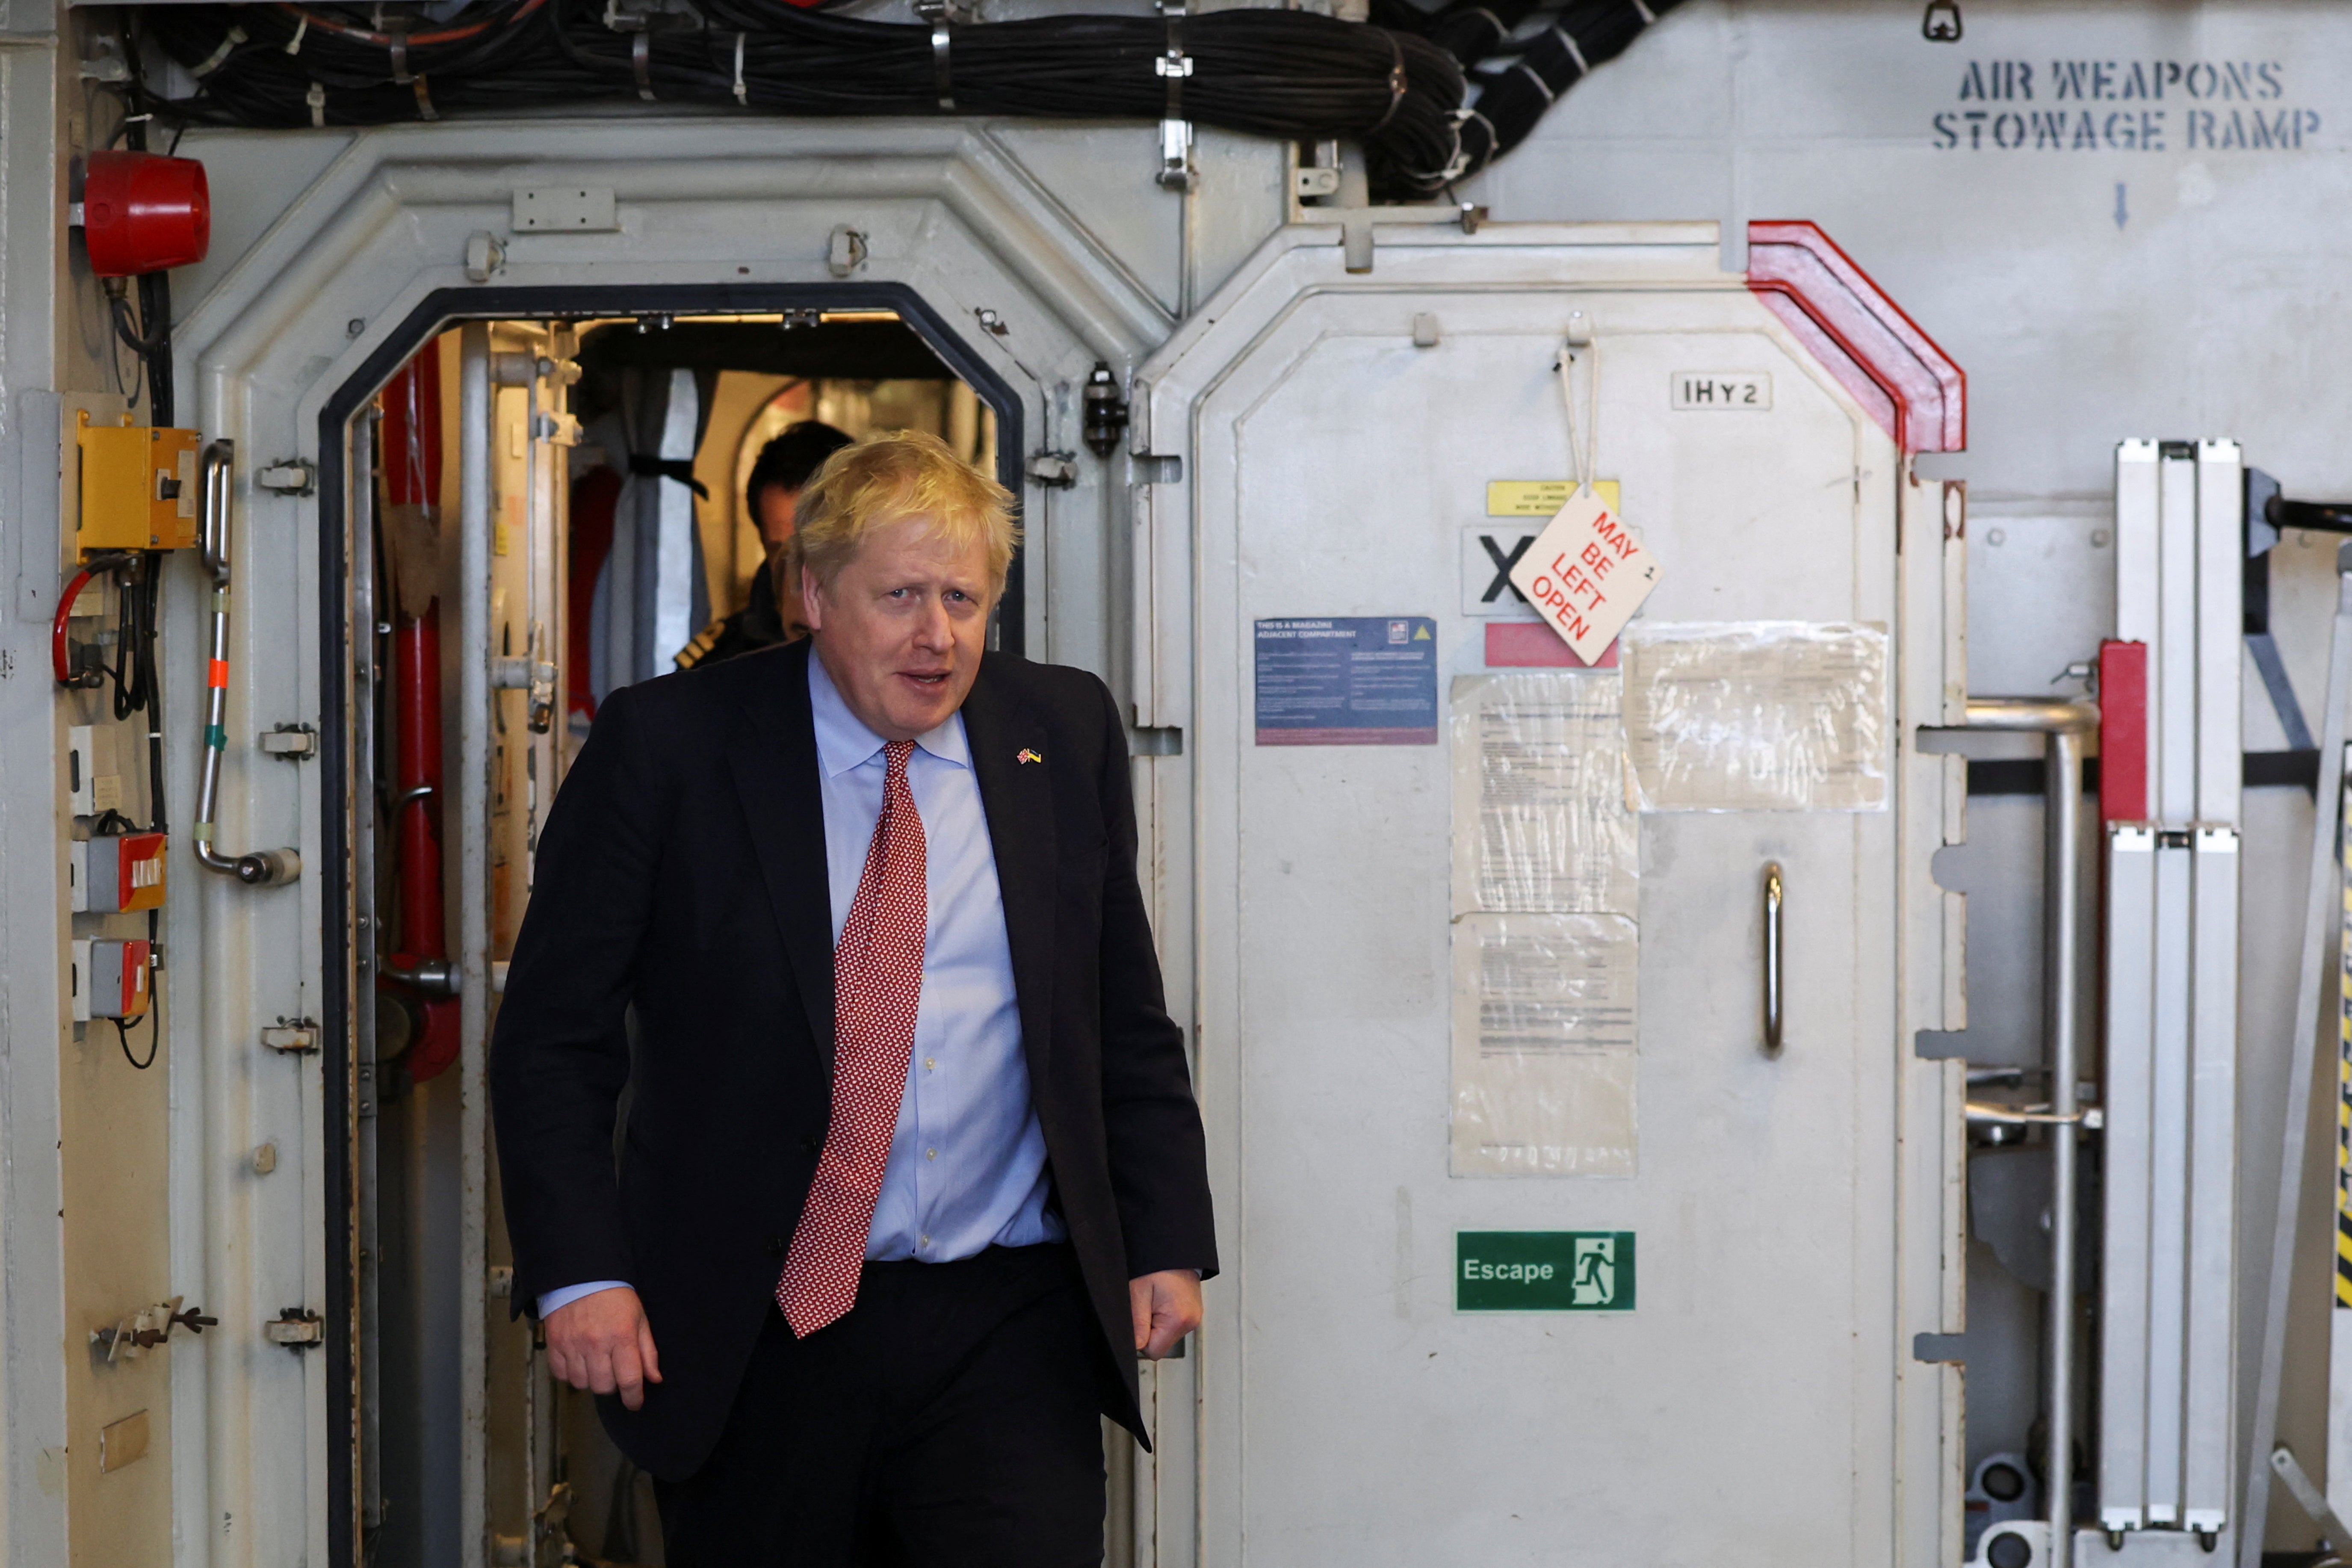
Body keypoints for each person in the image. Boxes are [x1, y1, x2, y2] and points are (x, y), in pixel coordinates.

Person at [490, 430, 1217, 1565]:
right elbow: (554, 1036)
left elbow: (1118, 1006)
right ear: (814, 593)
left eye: (963, 599)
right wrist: (583, 1272)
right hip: (756, 1319)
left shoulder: (1058, 733)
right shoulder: (669, 747)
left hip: (1007, 1321)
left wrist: (1160, 1234)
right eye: (902, 598)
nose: (938, 636)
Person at [673, 419, 854, 670]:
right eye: (781, 551)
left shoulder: (905, 649)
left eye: (819, 547)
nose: (801, 573)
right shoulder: (719, 667)